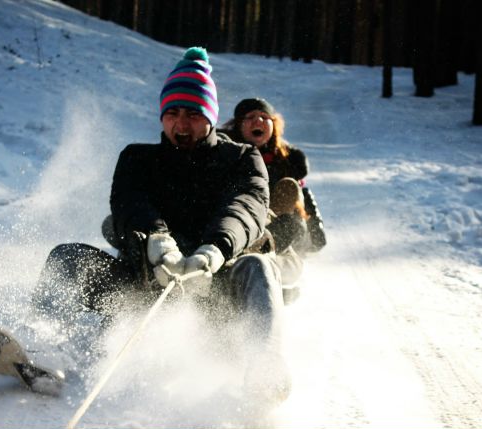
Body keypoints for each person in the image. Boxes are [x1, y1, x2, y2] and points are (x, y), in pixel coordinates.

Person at [28, 47, 291, 402]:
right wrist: (156, 240)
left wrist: (216, 249)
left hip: (216, 291)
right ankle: (41, 351)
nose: (182, 125)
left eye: (194, 114)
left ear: (210, 117)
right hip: (145, 282)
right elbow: (130, 202)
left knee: (260, 267)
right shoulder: (138, 159)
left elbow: (247, 206)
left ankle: (264, 369)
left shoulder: (242, 159)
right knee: (65, 257)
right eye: (173, 113)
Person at [220, 98, 327, 254]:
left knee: (289, 186)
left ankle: (267, 251)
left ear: (273, 124)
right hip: (239, 218)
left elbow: (303, 196)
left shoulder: (286, 160)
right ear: (238, 124)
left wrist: (314, 233)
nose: (258, 121)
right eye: (250, 117)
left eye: (264, 117)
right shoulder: (225, 152)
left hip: (276, 224)